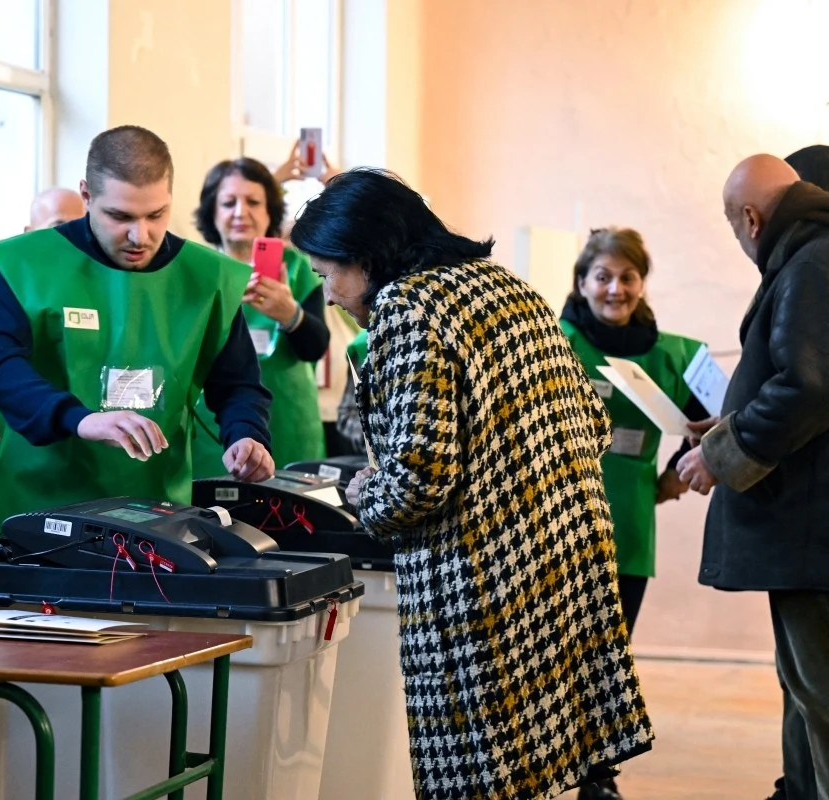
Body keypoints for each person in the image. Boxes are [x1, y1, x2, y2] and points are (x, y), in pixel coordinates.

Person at [292, 168, 653, 799]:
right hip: (565, 555)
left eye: (327, 275)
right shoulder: (506, 286)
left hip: (478, 573)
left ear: (367, 255)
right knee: (545, 759)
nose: (328, 295)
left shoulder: (407, 307)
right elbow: (592, 424)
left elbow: (418, 482)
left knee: (475, 775)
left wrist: (361, 497)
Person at [0, 126, 274, 534]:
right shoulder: (28, 265)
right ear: (86, 196)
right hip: (39, 509)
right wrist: (80, 419)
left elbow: (238, 382)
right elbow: (0, 367)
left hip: (157, 516)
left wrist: (245, 435)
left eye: (156, 215)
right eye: (120, 216)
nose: (140, 235)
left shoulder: (207, 278)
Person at [677, 154, 829, 799]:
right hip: (806, 529)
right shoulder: (811, 256)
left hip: (811, 529)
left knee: (821, 696)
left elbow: (807, 388)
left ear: (749, 216)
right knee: (804, 691)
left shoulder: (813, 262)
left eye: (731, 225)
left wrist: (722, 452)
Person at [559, 227, 707, 800]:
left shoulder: (678, 353)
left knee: (610, 657)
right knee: (558, 653)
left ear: (642, 283)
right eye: (603, 276)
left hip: (629, 524)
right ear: (582, 281)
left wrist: (676, 477)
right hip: (560, 523)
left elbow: (720, 422)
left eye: (627, 276)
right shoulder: (555, 342)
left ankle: (599, 776)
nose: (615, 288)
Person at [189, 157, 327, 474]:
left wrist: (291, 315)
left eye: (253, 202)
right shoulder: (198, 272)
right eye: (228, 203)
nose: (241, 212)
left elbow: (315, 348)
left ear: (270, 212)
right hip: (215, 429)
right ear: (212, 212)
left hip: (289, 420)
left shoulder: (298, 268)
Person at [0, 187, 87, 454]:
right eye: (58, 226)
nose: (70, 238)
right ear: (28, 233)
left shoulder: (97, 291)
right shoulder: (4, 298)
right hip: (38, 452)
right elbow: (2, 378)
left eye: (80, 226)